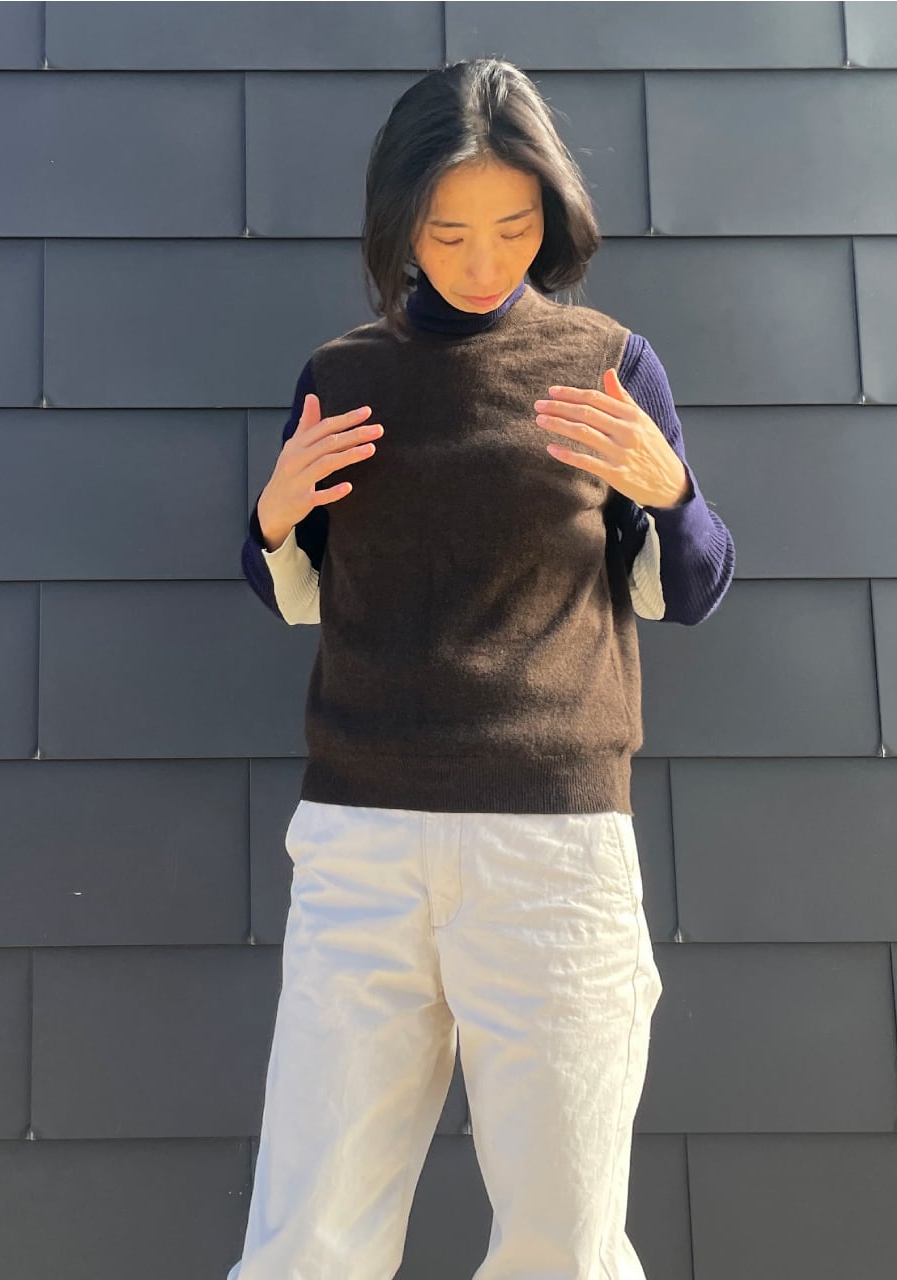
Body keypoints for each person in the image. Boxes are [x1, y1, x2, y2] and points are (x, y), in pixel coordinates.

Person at [229, 57, 735, 1280]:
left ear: (551, 214)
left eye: (512, 226)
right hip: (361, 843)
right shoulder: (342, 376)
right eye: (447, 231)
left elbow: (686, 588)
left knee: (562, 1242)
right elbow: (299, 592)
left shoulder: (607, 364)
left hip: (550, 847)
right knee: (306, 1238)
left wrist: (672, 494)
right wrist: (271, 521)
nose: (480, 257)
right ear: (398, 224)